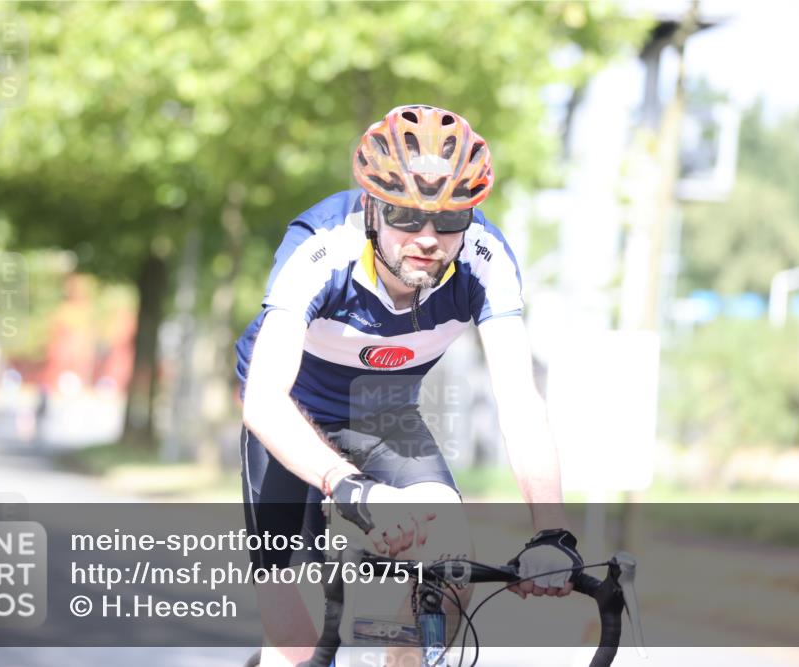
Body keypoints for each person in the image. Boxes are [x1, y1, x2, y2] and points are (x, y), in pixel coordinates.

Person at [235, 105, 582, 666]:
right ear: (372, 204)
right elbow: (264, 398)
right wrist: (352, 489)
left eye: (448, 221)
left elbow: (520, 402)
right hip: (291, 410)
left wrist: (553, 534)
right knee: (295, 643)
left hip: (382, 411)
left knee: (451, 568)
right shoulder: (322, 245)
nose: (427, 238)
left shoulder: (485, 260)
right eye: (404, 216)